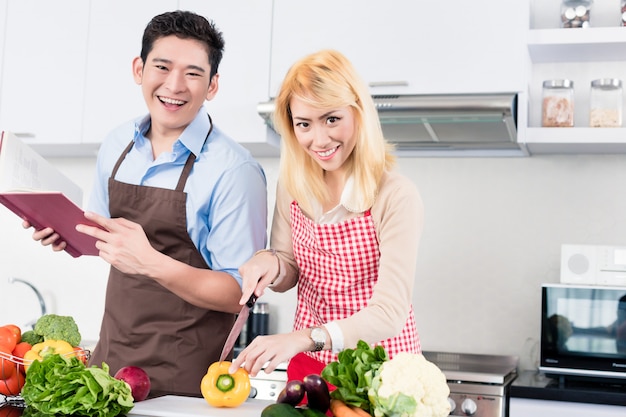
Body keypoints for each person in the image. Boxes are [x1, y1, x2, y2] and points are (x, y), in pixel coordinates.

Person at [25, 10, 267, 396]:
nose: (174, 85)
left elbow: (239, 294)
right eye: (162, 66)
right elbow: (104, 236)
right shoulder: (117, 143)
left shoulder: (234, 170)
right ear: (139, 69)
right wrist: (64, 231)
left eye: (192, 73)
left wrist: (152, 263)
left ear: (213, 85)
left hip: (184, 375)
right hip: (110, 361)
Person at [230, 49, 424, 383]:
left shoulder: (395, 196)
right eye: (304, 124)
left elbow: (389, 314)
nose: (320, 140)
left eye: (332, 119)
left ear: (358, 113)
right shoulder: (292, 187)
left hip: (382, 371)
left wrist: (303, 338)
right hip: (311, 369)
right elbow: (288, 267)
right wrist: (269, 263)